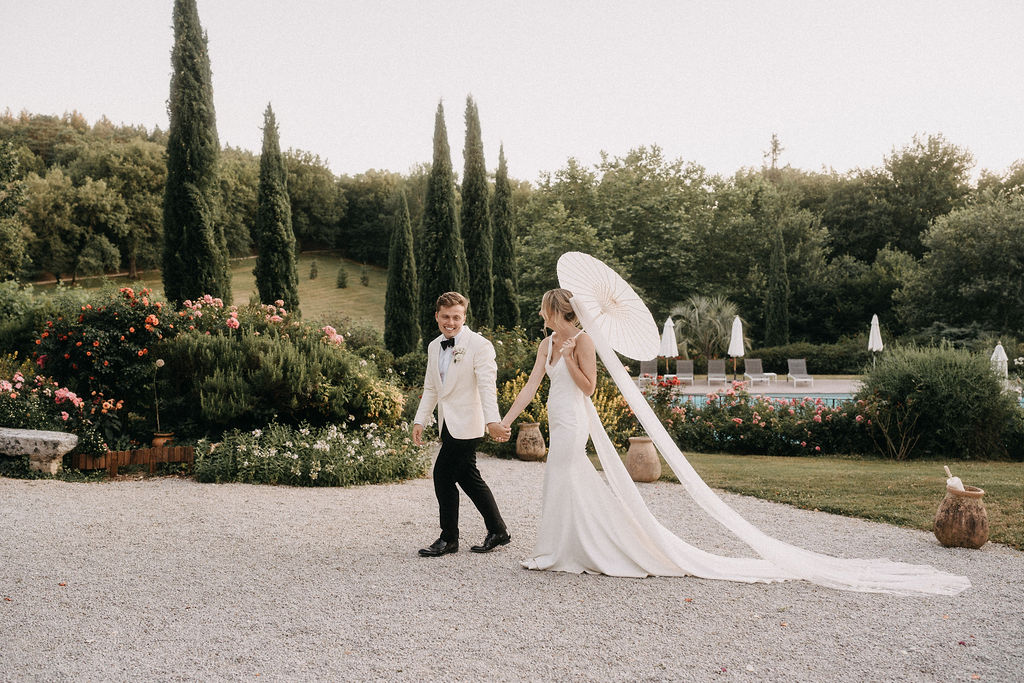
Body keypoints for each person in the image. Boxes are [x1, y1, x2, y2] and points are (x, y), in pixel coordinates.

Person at [412, 291, 512, 557]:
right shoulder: (434, 346)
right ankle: (498, 530)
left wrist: (493, 421)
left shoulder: (480, 345)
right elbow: (431, 387)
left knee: (442, 475)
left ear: (464, 317)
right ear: (437, 316)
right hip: (447, 424)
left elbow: (487, 387)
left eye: (456, 317)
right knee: (468, 477)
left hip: (469, 423)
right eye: (445, 316)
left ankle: (448, 539)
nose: (450, 322)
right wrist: (420, 419)